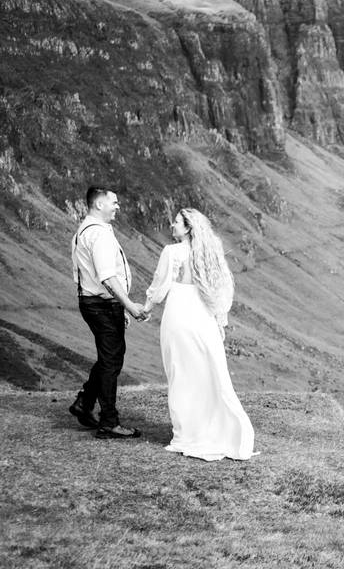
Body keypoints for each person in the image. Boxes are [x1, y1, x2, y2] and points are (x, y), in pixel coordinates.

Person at [142, 208, 255, 461]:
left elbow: (161, 286)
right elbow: (221, 291)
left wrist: (145, 308)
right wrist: (219, 322)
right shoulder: (210, 253)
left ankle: (185, 433)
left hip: (180, 314)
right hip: (203, 315)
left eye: (177, 222)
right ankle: (210, 429)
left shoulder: (172, 252)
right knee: (207, 373)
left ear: (188, 228)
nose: (172, 224)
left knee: (181, 372)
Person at [70, 186, 147, 439]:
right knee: (112, 360)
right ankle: (109, 422)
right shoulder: (99, 235)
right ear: (99, 204)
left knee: (109, 357)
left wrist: (118, 306)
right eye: (114, 202)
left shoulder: (86, 230)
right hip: (101, 303)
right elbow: (107, 277)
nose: (118, 206)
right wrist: (128, 305)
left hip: (97, 303)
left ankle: (85, 401)